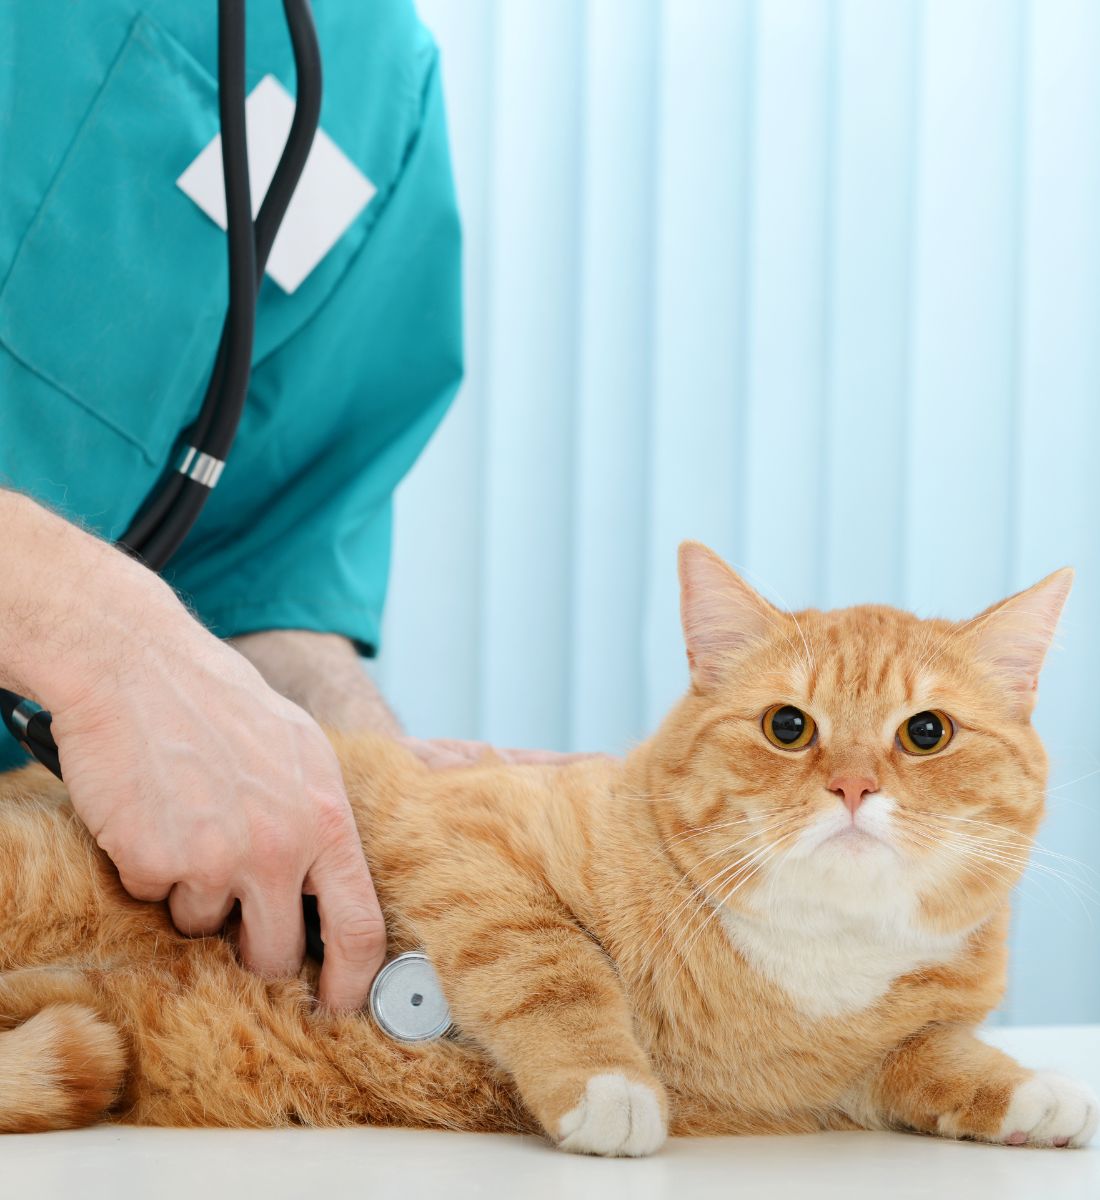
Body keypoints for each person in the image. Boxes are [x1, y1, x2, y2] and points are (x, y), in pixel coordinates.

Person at [0, 0, 462, 1012]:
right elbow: (138, 645)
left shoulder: (364, 81)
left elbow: (259, 565)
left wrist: (374, 785)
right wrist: (88, 626)